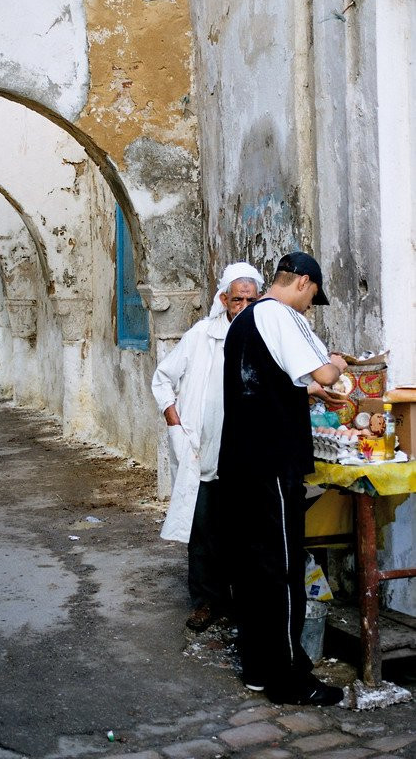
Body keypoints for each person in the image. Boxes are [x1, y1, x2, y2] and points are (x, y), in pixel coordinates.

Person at [218, 251, 347, 706]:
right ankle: (288, 679)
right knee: (284, 570)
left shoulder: (246, 321)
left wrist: (311, 390)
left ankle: (258, 667)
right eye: (313, 294)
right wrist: (338, 366)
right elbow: (323, 370)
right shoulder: (281, 315)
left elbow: (268, 378)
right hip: (271, 463)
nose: (311, 303)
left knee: (255, 571)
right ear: (303, 282)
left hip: (241, 462)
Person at [152, 262, 264, 631]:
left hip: (243, 453)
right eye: (237, 299)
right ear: (223, 299)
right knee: (202, 529)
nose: (243, 306)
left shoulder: (263, 336)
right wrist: (172, 417)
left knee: (238, 530)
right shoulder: (202, 335)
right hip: (201, 450)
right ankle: (204, 601)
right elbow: (163, 377)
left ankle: (236, 601)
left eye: (250, 299)